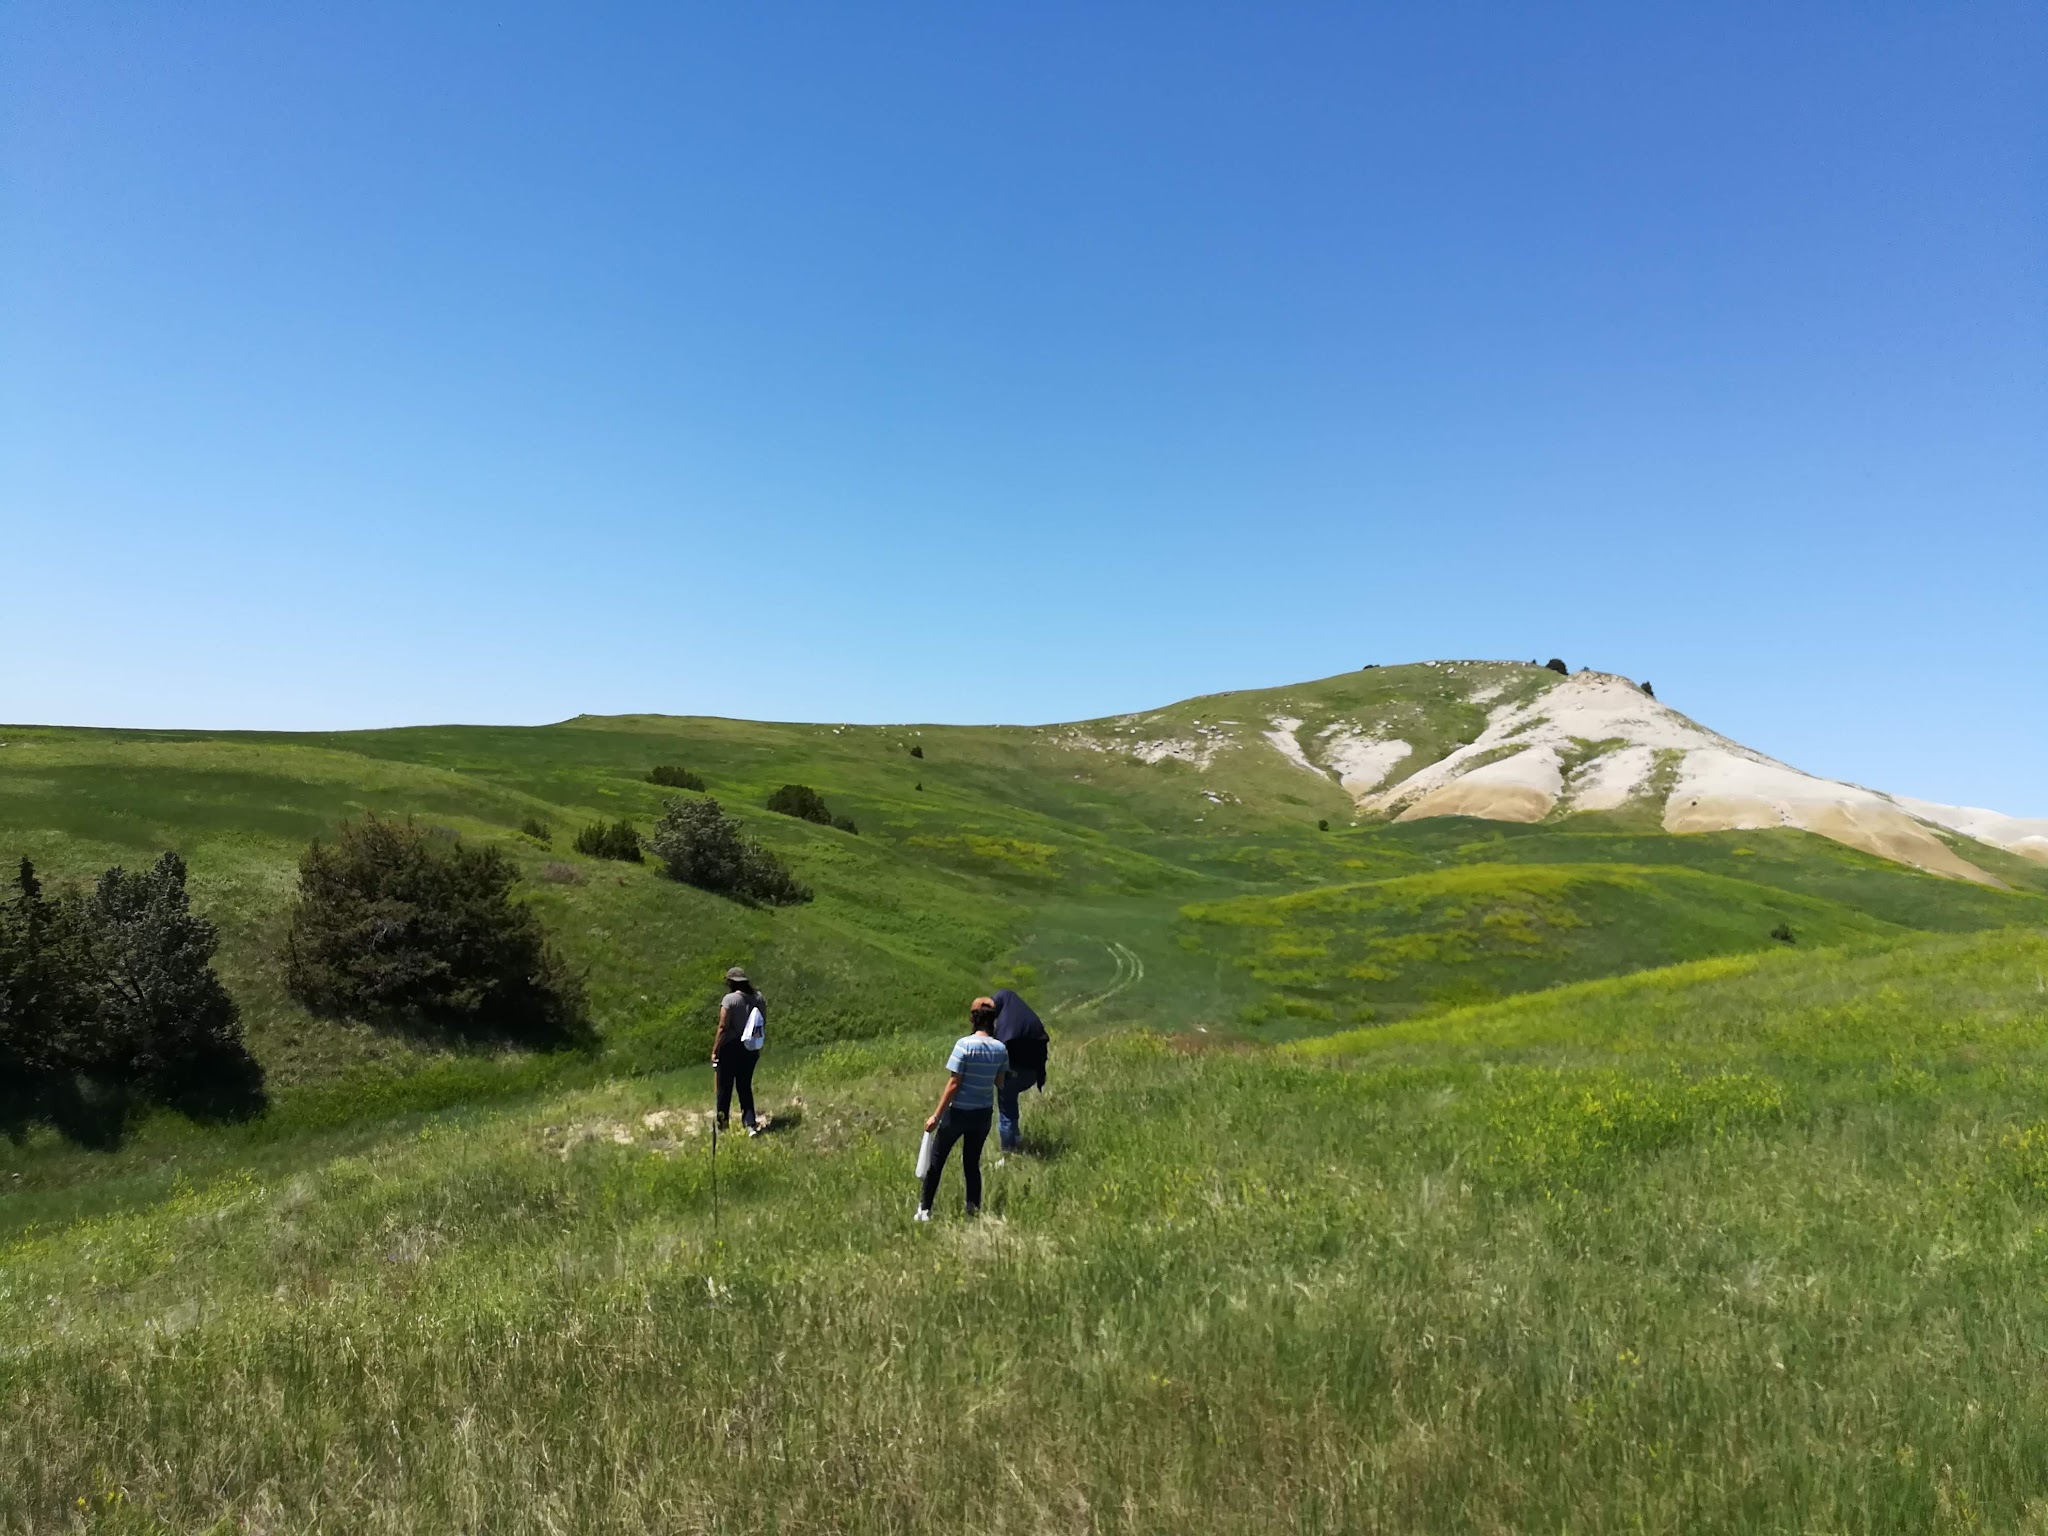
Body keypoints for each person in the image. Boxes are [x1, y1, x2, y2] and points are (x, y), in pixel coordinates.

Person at [916, 996, 1008, 1221]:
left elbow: (954, 1084)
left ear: (973, 1018)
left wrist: (936, 1116)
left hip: (958, 1113)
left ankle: (925, 1210)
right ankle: (973, 1209)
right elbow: (999, 1082)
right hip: (983, 1114)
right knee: (971, 1162)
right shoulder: (1000, 1049)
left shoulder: (964, 1045)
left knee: (937, 1161)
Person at [988, 987, 1049, 1153]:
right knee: (1011, 1104)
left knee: (1006, 1111)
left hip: (1012, 1073)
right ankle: (1017, 1139)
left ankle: (1008, 1152)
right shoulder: (1029, 1018)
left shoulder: (1005, 1024)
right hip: (1032, 1073)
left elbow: (998, 1049)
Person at [712, 965, 766, 1137]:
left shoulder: (729, 1000)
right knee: (744, 1086)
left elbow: (723, 1027)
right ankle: (750, 1124)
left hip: (730, 1047)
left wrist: (715, 1050)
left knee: (724, 1088)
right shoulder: (758, 998)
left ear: (731, 982)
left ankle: (722, 1125)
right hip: (751, 1047)